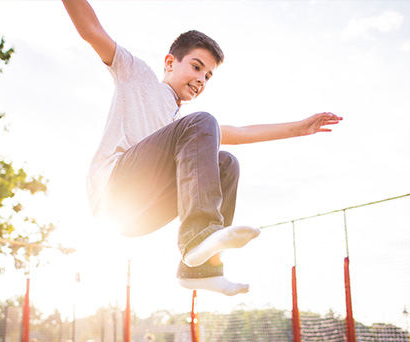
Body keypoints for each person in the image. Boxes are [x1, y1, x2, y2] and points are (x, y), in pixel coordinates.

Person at [63, 0, 342, 296]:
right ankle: (199, 234)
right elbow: (91, 30)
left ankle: (201, 267)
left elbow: (239, 132)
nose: (200, 79)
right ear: (170, 62)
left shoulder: (185, 128)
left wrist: (299, 128)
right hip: (113, 193)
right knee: (203, 123)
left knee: (226, 163)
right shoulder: (137, 75)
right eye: (196, 67)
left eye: (207, 76)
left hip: (138, 217)